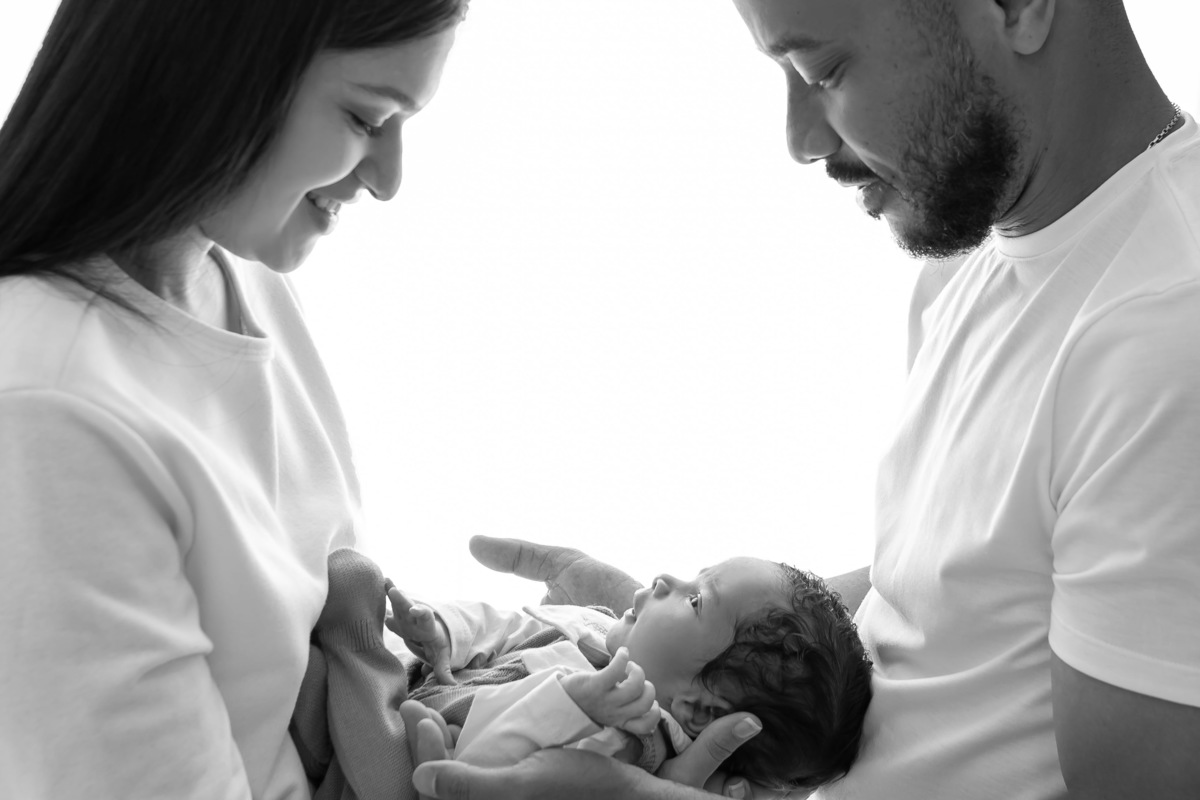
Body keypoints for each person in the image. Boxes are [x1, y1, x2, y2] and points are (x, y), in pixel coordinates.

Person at [405, 0, 1200, 798]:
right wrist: (678, 642)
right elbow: (948, 593)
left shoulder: (1166, 331)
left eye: (825, 71)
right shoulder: (970, 262)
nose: (801, 139)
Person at [0, 1, 473, 797]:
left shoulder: (237, 275)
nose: (389, 179)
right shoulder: (50, 407)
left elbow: (299, 663)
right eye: (366, 116)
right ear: (217, 72)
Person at [288, 548, 870, 799]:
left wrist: (571, 705)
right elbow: (510, 625)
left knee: (353, 588)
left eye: (697, 601)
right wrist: (444, 630)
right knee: (348, 605)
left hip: (402, 765)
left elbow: (483, 775)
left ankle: (349, 652)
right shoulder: (596, 626)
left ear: (698, 708)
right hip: (418, 688)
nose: (668, 578)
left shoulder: (631, 740)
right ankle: (340, 665)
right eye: (698, 571)